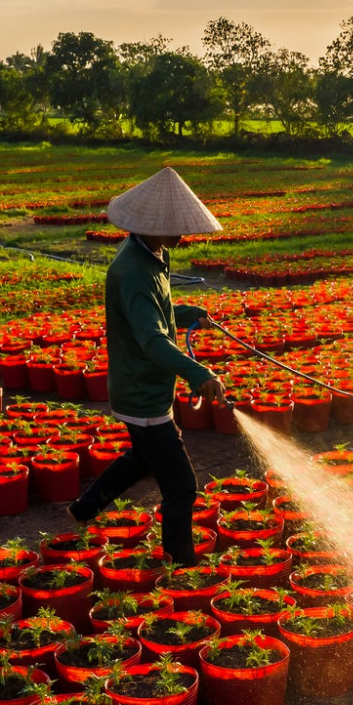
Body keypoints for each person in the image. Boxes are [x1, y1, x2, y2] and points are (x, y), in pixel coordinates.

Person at [67, 167, 226, 565]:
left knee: (142, 457)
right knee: (181, 487)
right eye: (172, 227)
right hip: (143, 393)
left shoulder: (152, 253)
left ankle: (84, 509)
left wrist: (188, 313)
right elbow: (152, 339)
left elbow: (158, 314)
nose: (180, 234)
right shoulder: (134, 272)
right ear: (149, 224)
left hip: (140, 385)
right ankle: (182, 563)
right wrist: (198, 372)